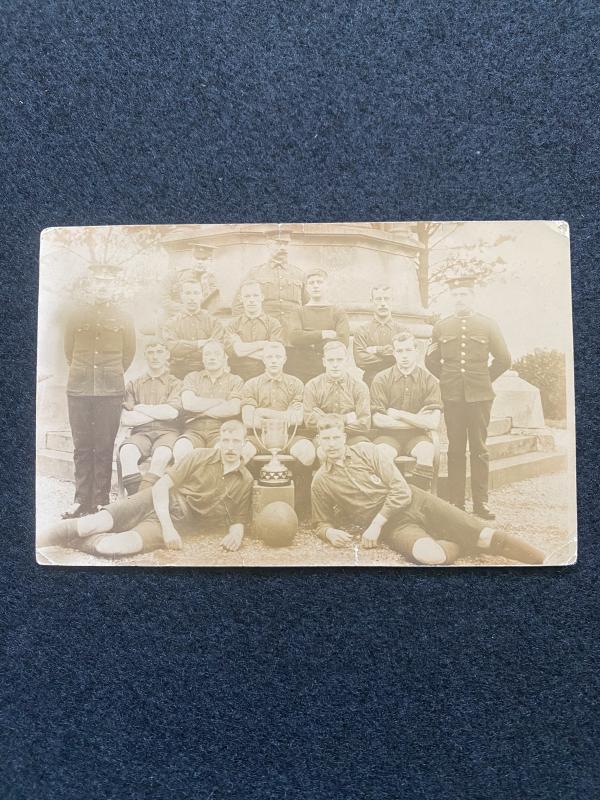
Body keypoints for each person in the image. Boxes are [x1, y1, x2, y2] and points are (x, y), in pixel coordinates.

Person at [310, 415, 545, 565]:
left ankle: (548, 561)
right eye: (325, 439)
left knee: (486, 536)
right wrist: (330, 533)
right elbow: (321, 522)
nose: (331, 444)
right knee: (430, 556)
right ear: (318, 440)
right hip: (396, 525)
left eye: (335, 438)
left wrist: (374, 525)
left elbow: (400, 490)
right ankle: (461, 542)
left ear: (343, 437)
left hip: (416, 501)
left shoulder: (367, 451)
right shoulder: (321, 481)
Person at [38, 421, 254, 558]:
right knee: (91, 524)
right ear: (220, 442)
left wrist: (236, 534)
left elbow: (239, 519)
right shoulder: (199, 456)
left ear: (244, 444)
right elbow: (161, 486)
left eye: (236, 441)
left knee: (113, 547)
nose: (230, 447)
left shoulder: (245, 479)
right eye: (226, 440)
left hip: (181, 520)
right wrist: (168, 528)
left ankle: (69, 539)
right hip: (153, 500)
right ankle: (32, 544)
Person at [425, 276, 511, 519]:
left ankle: (481, 503)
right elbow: (430, 359)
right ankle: (456, 502)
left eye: (464, 294)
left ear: (472, 296)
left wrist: (483, 380)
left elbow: (504, 359)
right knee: (454, 449)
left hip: (480, 397)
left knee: (479, 449)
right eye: (455, 295)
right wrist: (447, 378)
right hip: (452, 396)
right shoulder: (441, 326)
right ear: (451, 298)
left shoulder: (488, 325)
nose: (459, 299)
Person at [63, 262, 136, 518]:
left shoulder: (124, 316)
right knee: (82, 446)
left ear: (114, 286)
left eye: (107, 282)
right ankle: (80, 500)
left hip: (109, 391)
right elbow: (68, 351)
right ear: (90, 284)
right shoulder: (75, 314)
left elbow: (129, 354)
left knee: (103, 446)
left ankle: (100, 501)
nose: (102, 286)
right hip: (80, 389)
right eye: (98, 281)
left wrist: (108, 375)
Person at [370, 331, 442, 489]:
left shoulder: (429, 380)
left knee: (427, 451)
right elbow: (378, 420)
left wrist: (399, 414)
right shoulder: (381, 378)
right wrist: (417, 420)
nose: (404, 355)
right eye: (400, 351)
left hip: (417, 437)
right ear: (394, 353)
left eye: (408, 350)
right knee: (381, 453)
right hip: (387, 436)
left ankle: (418, 499)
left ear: (416, 352)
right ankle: (389, 499)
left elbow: (433, 422)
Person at [118, 338, 182, 496]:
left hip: (167, 433)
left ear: (167, 355)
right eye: (151, 352)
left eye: (160, 352)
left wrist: (140, 408)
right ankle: (137, 499)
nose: (155, 357)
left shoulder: (175, 383)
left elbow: (172, 413)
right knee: (126, 452)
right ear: (145, 355)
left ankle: (140, 503)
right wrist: (159, 413)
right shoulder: (134, 384)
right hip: (141, 433)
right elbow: (126, 419)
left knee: (162, 456)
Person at [241, 341, 315, 467]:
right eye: (269, 357)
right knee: (241, 454)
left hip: (289, 437)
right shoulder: (251, 384)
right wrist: (286, 415)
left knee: (307, 453)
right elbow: (249, 420)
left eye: (278, 357)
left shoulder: (296, 383)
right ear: (263, 359)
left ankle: (298, 486)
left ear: (285, 359)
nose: (274, 361)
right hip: (259, 438)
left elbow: (297, 419)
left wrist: (261, 412)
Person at [172, 340, 243, 463]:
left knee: (222, 454)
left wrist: (200, 411)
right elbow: (189, 404)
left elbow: (233, 408)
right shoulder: (192, 377)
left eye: (216, 354)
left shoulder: (235, 380)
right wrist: (220, 401)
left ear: (225, 357)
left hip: (222, 431)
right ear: (203, 359)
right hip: (193, 430)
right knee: (181, 450)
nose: (212, 358)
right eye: (207, 354)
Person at [303, 341, 371, 446]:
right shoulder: (312, 386)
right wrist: (345, 419)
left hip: (351, 436)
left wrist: (324, 418)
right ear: (324, 362)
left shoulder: (359, 386)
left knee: (365, 448)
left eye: (339, 360)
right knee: (316, 449)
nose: (335, 365)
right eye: (330, 360)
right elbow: (310, 421)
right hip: (322, 436)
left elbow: (364, 424)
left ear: (346, 361)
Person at [287, 269, 350, 382]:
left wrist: (309, 343)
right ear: (306, 288)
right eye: (311, 283)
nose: (315, 286)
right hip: (302, 368)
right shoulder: (298, 311)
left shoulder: (337, 312)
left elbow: (343, 341)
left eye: (319, 282)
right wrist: (323, 334)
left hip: (329, 369)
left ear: (327, 286)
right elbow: (294, 337)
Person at [232, 246, 306, 341]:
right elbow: (238, 304)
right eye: (277, 244)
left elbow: (307, 304)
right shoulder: (255, 273)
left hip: (292, 332)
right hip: (264, 332)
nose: (282, 247)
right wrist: (246, 329)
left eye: (285, 243)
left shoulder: (299, 273)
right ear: (268, 246)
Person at [162, 275, 225, 379]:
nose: (192, 298)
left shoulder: (213, 322)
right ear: (182, 296)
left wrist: (183, 346)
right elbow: (172, 348)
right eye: (188, 293)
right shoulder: (171, 324)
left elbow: (216, 348)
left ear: (202, 295)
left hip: (207, 372)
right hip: (178, 374)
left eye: (196, 293)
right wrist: (199, 344)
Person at [226, 280, 285, 381]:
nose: (251, 300)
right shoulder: (233, 324)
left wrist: (243, 348)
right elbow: (237, 351)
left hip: (265, 378)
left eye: (255, 295)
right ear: (241, 299)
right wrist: (261, 344)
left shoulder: (273, 324)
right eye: (247, 296)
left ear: (262, 297)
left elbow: (273, 355)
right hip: (237, 377)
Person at [353, 284, 407, 386]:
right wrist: (391, 358)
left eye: (386, 299)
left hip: (399, 382)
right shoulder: (362, 331)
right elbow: (360, 360)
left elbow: (406, 357)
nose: (383, 303)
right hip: (372, 381)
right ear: (371, 301)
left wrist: (377, 350)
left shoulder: (402, 330)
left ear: (392, 301)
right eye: (378, 299)